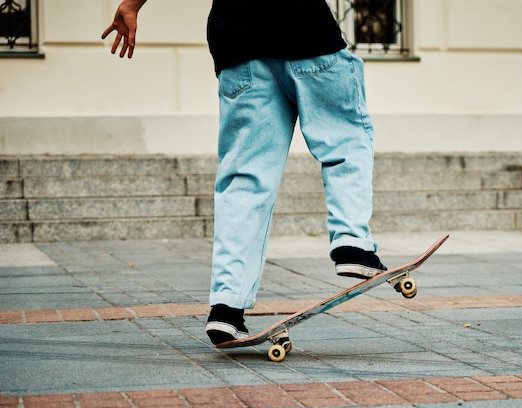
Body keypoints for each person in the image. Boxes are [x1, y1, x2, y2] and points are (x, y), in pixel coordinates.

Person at [103, 0, 386, 345]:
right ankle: (352, 244)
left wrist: (132, 4)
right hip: (305, 29)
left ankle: (227, 307)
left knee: (245, 181)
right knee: (346, 140)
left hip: (236, 40)